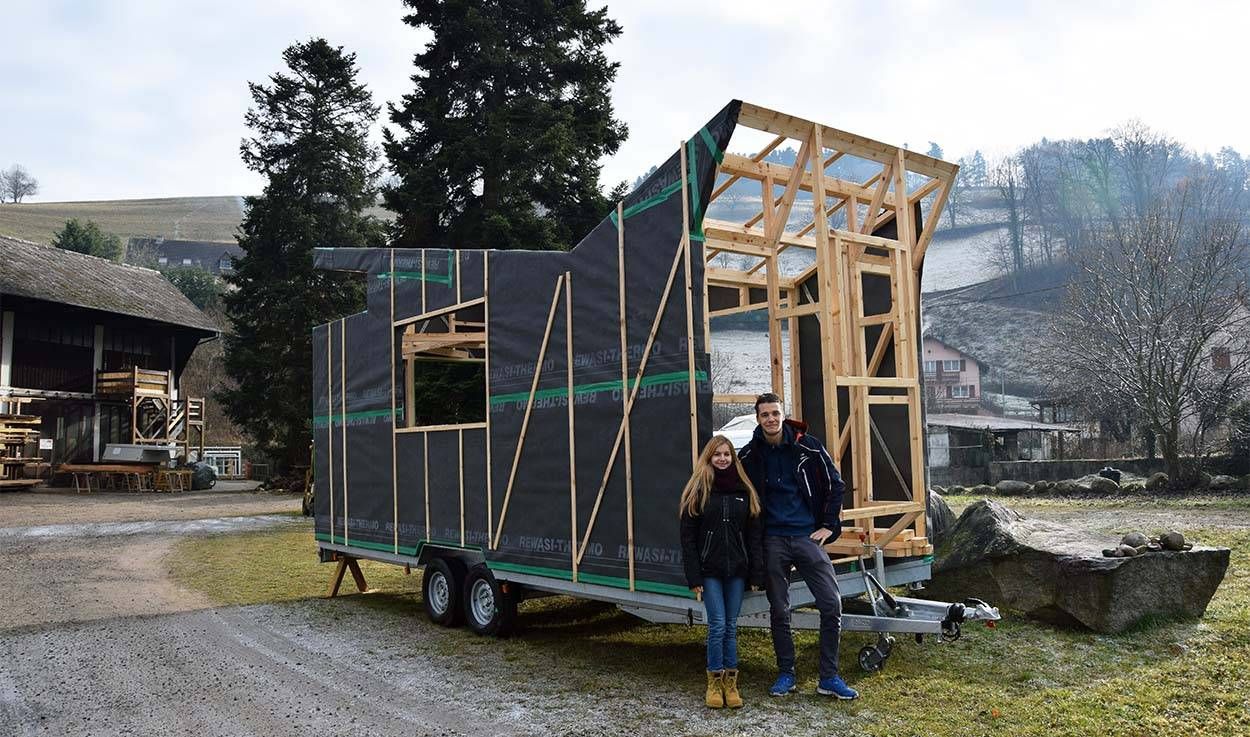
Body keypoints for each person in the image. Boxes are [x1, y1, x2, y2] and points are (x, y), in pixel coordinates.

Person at [737, 393, 858, 700]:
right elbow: (736, 492)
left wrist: (828, 525)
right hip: (773, 539)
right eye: (764, 415)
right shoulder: (750, 455)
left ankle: (828, 677)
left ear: (783, 414)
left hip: (806, 536)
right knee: (780, 609)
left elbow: (836, 485)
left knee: (831, 604)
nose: (770, 419)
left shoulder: (809, 446)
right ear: (758, 418)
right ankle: (786, 673)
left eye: (775, 413)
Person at [679, 434, 765, 709]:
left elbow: (754, 536)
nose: (723, 458)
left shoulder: (744, 491)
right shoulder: (699, 491)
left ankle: (731, 683)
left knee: (731, 626)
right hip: (710, 571)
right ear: (709, 457)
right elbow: (688, 538)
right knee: (717, 626)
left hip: (737, 570)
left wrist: (755, 574)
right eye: (718, 454)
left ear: (733, 458)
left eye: (727, 454)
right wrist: (694, 576)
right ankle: (714, 683)